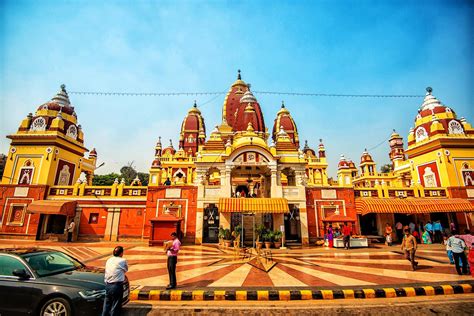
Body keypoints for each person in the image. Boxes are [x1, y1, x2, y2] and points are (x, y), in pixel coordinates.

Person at [103, 246, 128, 316]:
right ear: (121, 253)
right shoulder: (122, 260)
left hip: (108, 285)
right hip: (117, 286)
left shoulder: (109, 260)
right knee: (115, 307)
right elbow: (126, 269)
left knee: (107, 305)